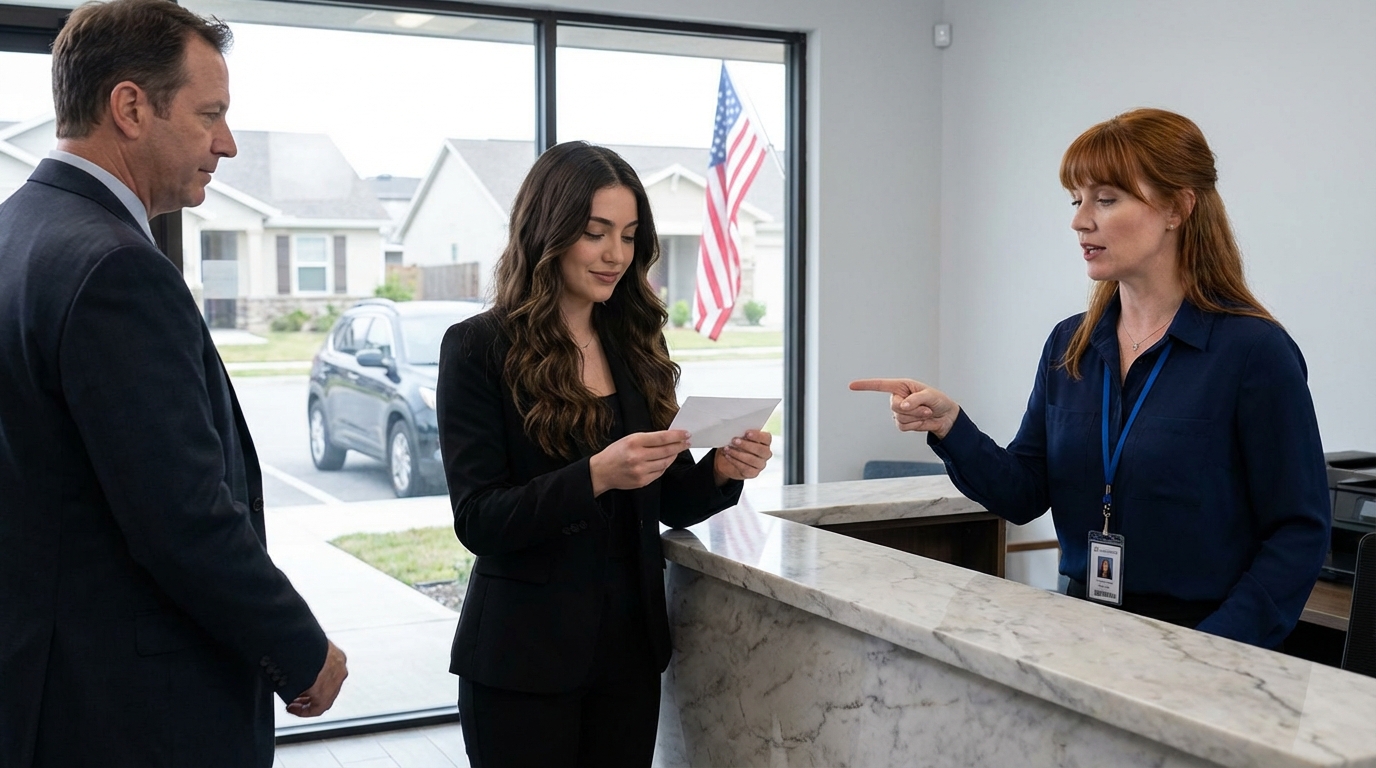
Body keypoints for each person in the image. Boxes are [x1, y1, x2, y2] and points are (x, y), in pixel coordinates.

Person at [0, 1, 346, 765]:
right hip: (130, 710)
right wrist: (298, 646)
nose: (225, 143)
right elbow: (182, 518)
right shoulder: (115, 268)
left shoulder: (16, 231)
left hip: (43, 682)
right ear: (130, 107)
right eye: (210, 114)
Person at [851, 108, 1329, 650]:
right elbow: (1024, 493)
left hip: (1204, 643)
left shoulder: (1253, 352)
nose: (1081, 220)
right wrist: (950, 427)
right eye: (1076, 200)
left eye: (1105, 199)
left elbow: (1298, 530)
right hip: (1083, 633)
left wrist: (1214, 651)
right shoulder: (1069, 344)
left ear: (1177, 207)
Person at [437, 140, 773, 766]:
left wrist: (722, 470)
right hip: (522, 661)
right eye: (596, 234)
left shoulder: (635, 345)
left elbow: (666, 498)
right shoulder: (477, 349)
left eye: (628, 235)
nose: (616, 255)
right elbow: (479, 519)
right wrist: (593, 476)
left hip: (628, 656)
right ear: (551, 232)